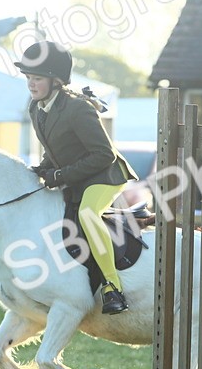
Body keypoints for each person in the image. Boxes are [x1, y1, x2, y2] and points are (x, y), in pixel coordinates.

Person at [14, 41, 138, 314]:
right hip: (78, 175)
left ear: (56, 81)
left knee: (87, 215)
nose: (30, 85)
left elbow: (103, 155)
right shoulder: (36, 108)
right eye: (28, 78)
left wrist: (59, 175)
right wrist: (42, 169)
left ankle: (112, 287)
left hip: (105, 175)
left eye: (37, 78)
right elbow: (55, 149)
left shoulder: (78, 108)